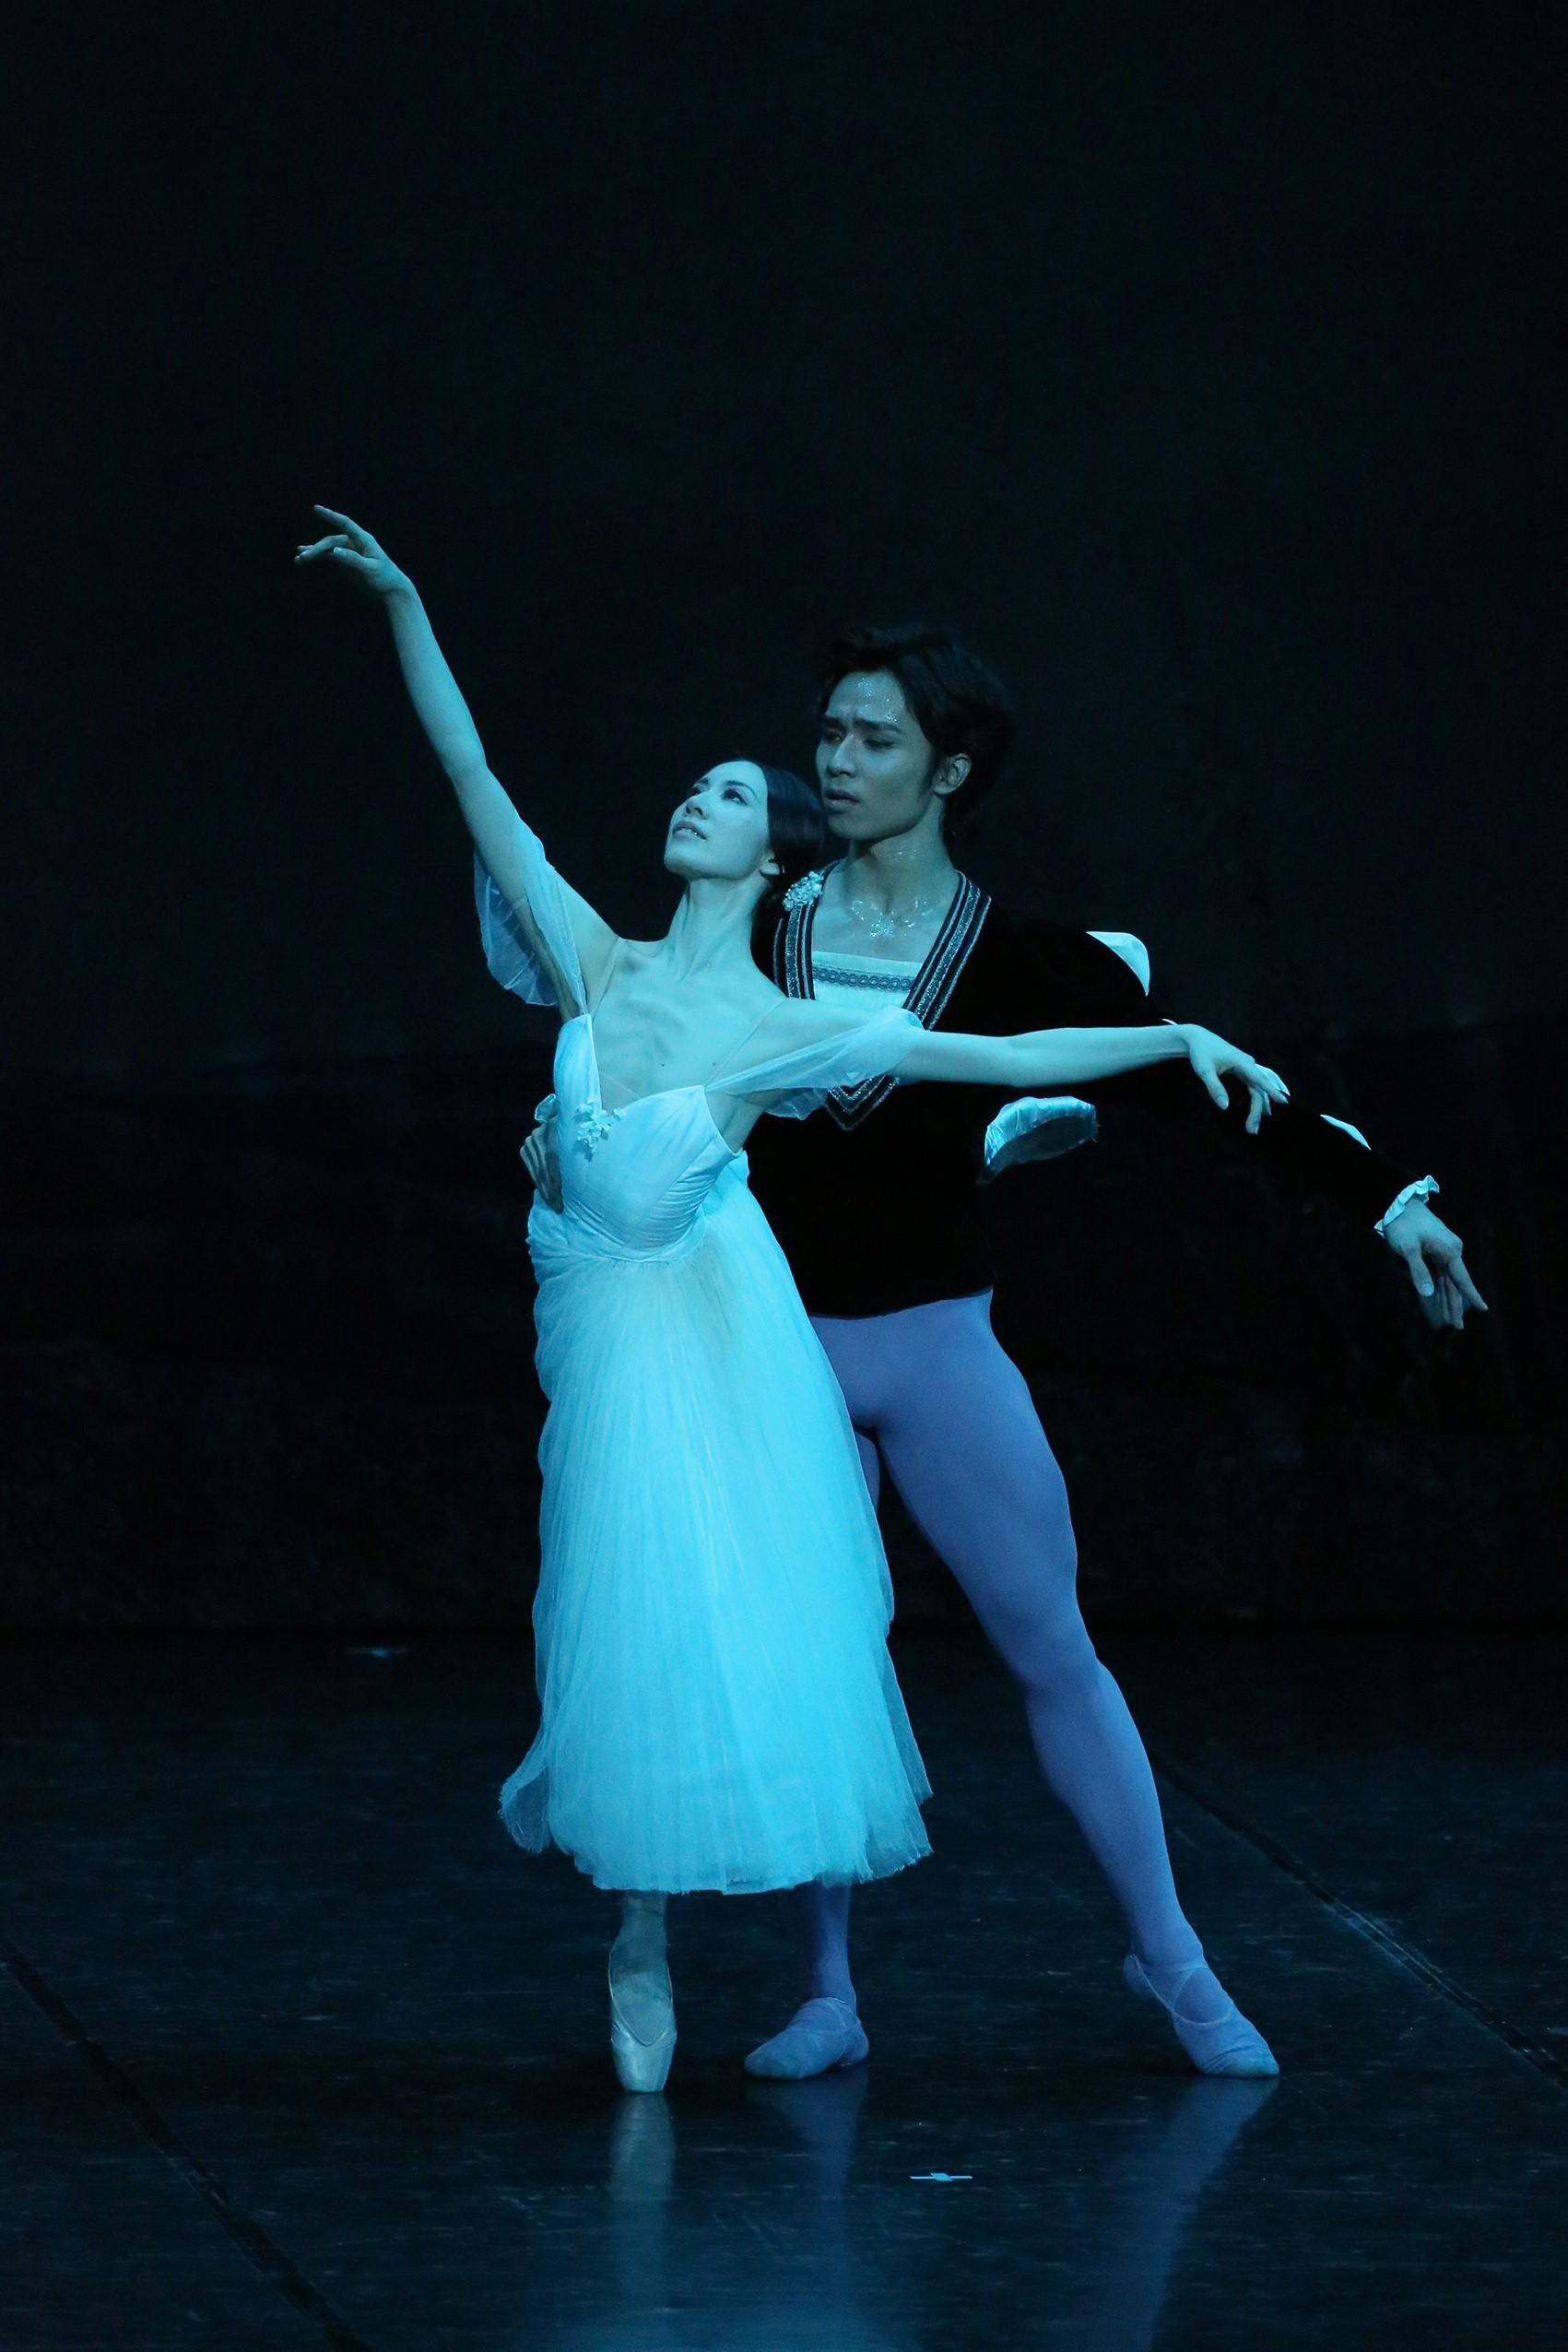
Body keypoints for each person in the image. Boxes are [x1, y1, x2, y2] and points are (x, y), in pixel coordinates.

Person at [297, 514, 1291, 2092]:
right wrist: (405, 601)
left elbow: (995, 1054)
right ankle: (747, 1968)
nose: (707, 796)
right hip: (642, 1352)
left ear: (776, 856)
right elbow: (469, 769)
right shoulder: (594, 956)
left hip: (809, 1339)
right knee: (722, 1638)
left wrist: (1175, 1041)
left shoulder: (785, 1023)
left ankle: (1166, 1955)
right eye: (712, 780)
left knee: (1002, 1633)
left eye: (737, 792)